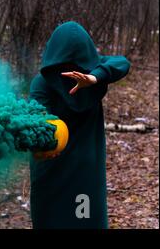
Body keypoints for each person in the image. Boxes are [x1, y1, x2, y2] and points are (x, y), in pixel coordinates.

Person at [29, 21, 130, 229]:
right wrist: (96, 77)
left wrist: (93, 78)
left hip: (55, 172)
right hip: (79, 172)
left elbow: (37, 120)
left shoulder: (43, 81)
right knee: (84, 221)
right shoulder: (95, 72)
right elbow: (120, 63)